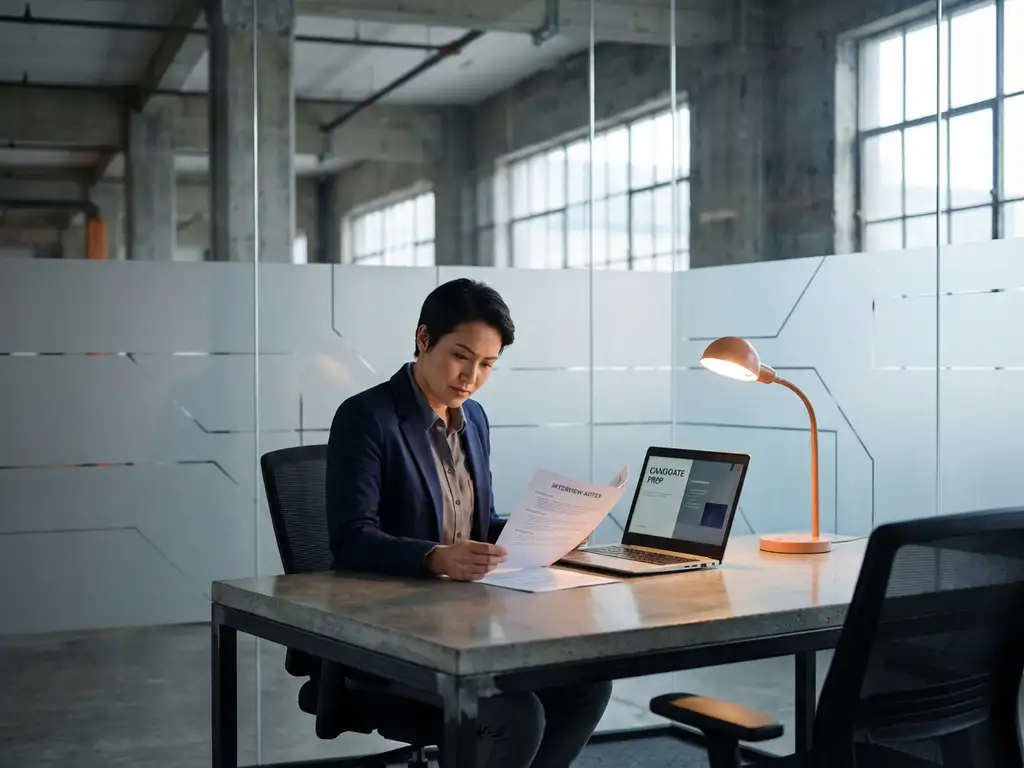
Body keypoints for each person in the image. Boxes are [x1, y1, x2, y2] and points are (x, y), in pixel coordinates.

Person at [326, 277, 612, 767]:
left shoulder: (474, 419)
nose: (471, 376)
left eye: (487, 365)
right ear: (423, 339)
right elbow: (352, 538)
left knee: (587, 685)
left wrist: (551, 533)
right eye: (461, 356)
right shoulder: (366, 417)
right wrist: (435, 557)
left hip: (471, 623)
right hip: (393, 630)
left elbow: (478, 527)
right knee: (516, 715)